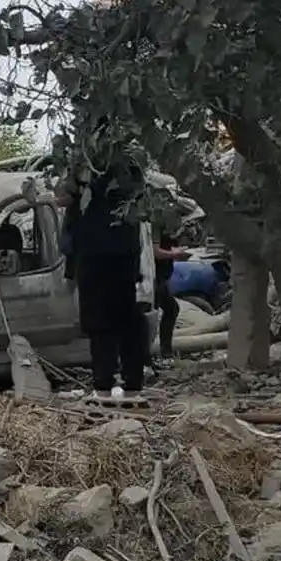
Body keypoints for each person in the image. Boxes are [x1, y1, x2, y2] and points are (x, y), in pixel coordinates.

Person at [57, 154, 147, 400]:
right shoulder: (89, 161)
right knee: (112, 323)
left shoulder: (123, 163)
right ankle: (116, 385)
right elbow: (64, 198)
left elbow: (64, 200)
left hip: (108, 255)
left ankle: (118, 385)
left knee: (114, 323)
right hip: (106, 255)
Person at [153, 226, 189, 359]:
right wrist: (175, 254)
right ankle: (163, 352)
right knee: (167, 309)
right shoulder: (156, 224)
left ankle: (165, 351)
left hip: (161, 276)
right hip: (154, 276)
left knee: (170, 309)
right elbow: (155, 252)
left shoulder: (168, 228)